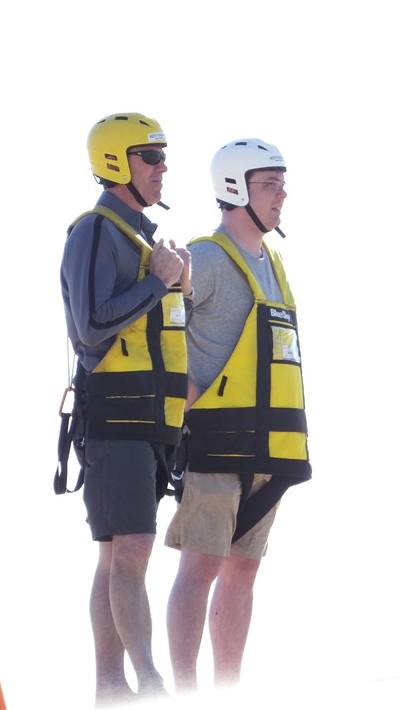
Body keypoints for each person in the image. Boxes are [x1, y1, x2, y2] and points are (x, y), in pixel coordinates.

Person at [165, 138, 312, 692]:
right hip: (216, 441)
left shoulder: (275, 263)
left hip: (269, 447)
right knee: (201, 565)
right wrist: (185, 401)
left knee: (243, 571)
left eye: (282, 183)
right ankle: (185, 696)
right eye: (269, 183)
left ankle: (228, 694)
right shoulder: (204, 258)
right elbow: (160, 330)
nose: (282, 194)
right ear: (234, 188)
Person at [61, 112, 189, 705]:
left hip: (153, 422)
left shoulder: (143, 238)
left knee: (119, 552)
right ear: (117, 162)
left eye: (163, 156)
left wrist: (178, 284)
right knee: (131, 549)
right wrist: (158, 284)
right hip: (116, 417)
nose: (163, 168)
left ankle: (110, 689)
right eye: (151, 157)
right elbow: (91, 326)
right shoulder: (94, 231)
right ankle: (149, 683)